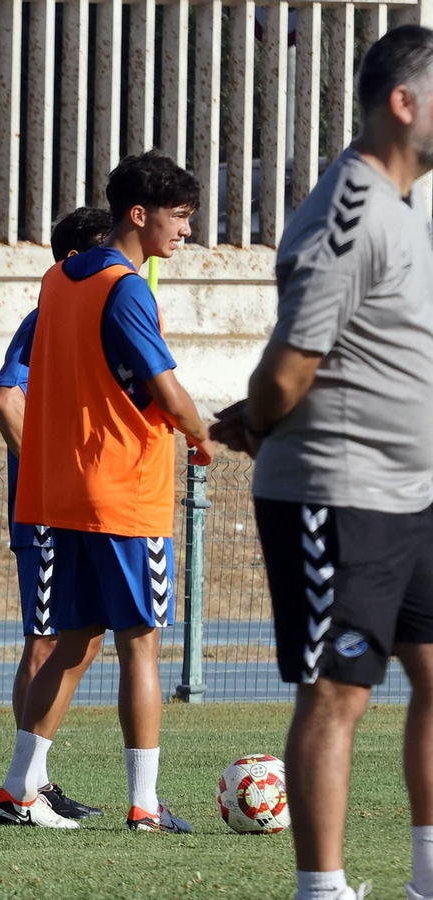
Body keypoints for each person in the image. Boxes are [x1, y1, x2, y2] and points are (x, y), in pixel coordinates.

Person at [209, 25, 433, 900]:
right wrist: (257, 422)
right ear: (404, 104)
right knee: (338, 692)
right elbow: (289, 366)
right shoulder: (352, 211)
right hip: (339, 492)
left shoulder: (409, 204)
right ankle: (322, 890)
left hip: (412, 492)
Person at [0, 151, 214, 831]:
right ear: (139, 215)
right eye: (179, 218)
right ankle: (145, 804)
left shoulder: (57, 281)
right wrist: (204, 436)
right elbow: (166, 389)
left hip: (63, 495)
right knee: (140, 644)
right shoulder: (127, 286)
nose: (186, 233)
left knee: (74, 642)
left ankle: (18, 789)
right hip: (125, 492)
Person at [0, 206, 112, 823]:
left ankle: (32, 777)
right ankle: (23, 789)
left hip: (80, 507)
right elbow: (6, 397)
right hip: (46, 512)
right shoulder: (45, 320)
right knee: (44, 643)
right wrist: (44, 471)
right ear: (72, 261)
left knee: (76, 639)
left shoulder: (88, 314)